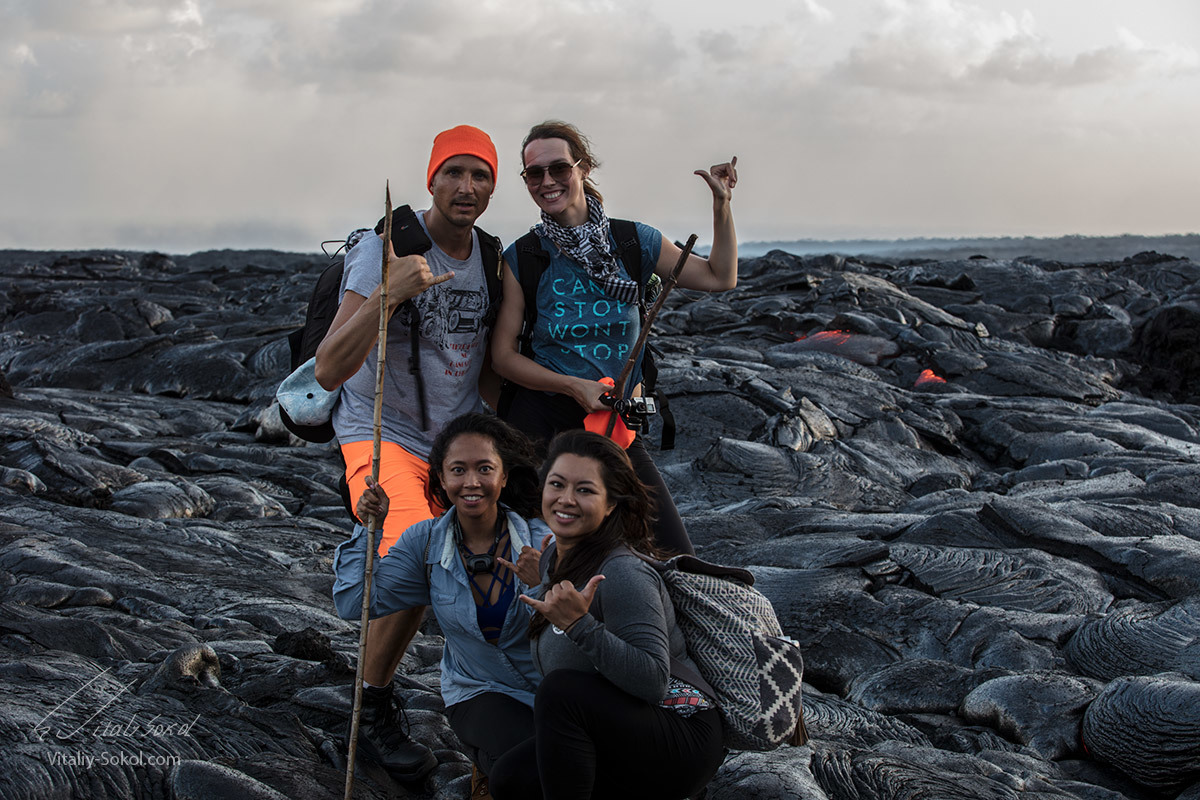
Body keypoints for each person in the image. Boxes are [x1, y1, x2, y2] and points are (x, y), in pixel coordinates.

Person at [314, 125, 503, 780]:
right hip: (378, 432)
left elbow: (489, 366)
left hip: (456, 441)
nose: (467, 187)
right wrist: (390, 294)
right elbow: (330, 367)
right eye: (454, 172)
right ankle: (369, 713)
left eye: (480, 175)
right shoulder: (381, 246)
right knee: (422, 547)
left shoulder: (491, 257)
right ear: (431, 178)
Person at [491, 120, 739, 557]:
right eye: (534, 173)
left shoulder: (632, 242)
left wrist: (722, 205)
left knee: (672, 554)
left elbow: (720, 277)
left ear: (583, 168)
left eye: (559, 169)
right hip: (542, 424)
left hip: (614, 423)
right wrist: (572, 386)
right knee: (547, 557)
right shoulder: (524, 257)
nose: (547, 181)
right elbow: (503, 357)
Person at [488, 430, 725, 800]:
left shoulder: (622, 574)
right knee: (511, 778)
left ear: (611, 503)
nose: (566, 500)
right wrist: (539, 586)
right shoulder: (555, 557)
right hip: (619, 725)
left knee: (560, 693)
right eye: (557, 484)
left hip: (681, 737)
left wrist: (580, 626)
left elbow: (652, 681)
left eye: (584, 490)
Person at [332, 413, 552, 795]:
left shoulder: (542, 539)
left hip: (551, 692)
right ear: (441, 478)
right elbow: (354, 604)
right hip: (479, 690)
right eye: (458, 470)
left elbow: (585, 623)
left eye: (485, 468)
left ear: (503, 476)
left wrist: (544, 584)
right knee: (539, 766)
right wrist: (369, 526)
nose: (471, 482)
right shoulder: (425, 542)